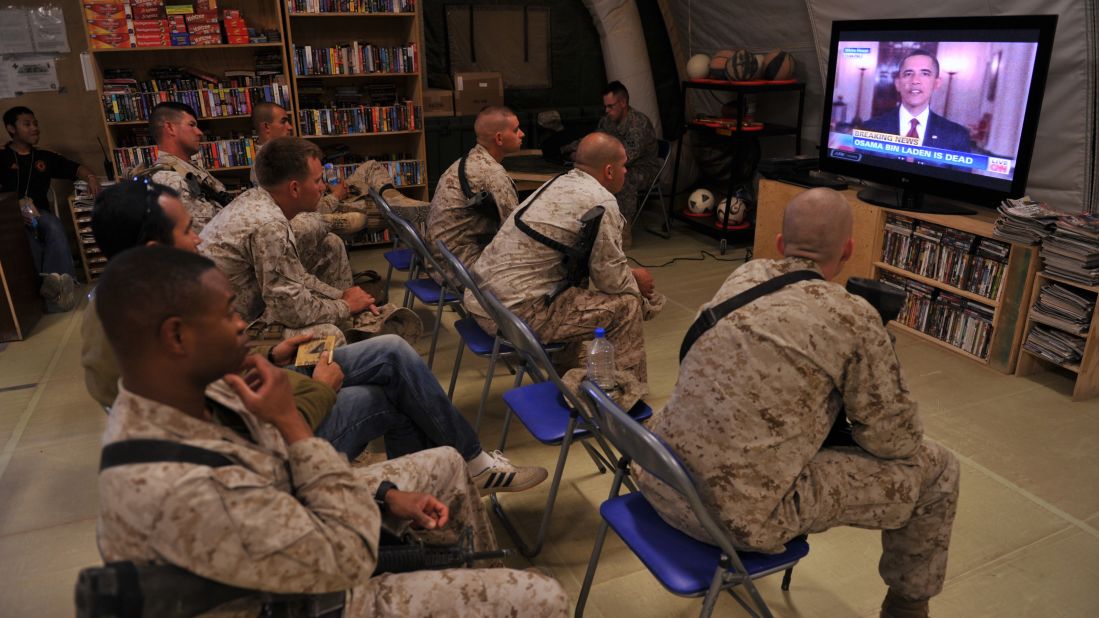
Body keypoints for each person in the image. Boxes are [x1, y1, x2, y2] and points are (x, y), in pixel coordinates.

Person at [93, 245, 569, 617]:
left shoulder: (190, 391)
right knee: (543, 598)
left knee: (444, 461)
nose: (242, 325)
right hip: (294, 599)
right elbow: (347, 557)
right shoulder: (174, 484)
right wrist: (290, 422)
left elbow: (276, 477)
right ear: (177, 336)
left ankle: (477, 579)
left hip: (294, 553)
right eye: (227, 314)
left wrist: (382, 493)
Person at [85, 180, 547, 493]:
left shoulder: (124, 299)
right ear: (153, 249)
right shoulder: (162, 324)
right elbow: (240, 429)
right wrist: (319, 391)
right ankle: (435, 488)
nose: (199, 241)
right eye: (188, 232)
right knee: (394, 391)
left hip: (262, 400)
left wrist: (276, 353)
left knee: (391, 353)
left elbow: (227, 385)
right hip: (266, 446)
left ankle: (445, 478)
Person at [637, 187, 960, 618]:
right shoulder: (854, 316)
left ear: (777, 244)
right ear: (848, 250)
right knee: (938, 470)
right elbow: (894, 442)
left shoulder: (744, 277)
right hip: (733, 519)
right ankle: (906, 609)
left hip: (661, 478)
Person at [467, 132, 657, 391]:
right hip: (512, 315)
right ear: (610, 171)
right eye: (624, 166)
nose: (627, 171)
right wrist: (639, 286)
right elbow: (611, 280)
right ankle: (625, 400)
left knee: (573, 294)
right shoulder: (601, 201)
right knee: (627, 306)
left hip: (484, 299)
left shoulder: (556, 183)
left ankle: (567, 376)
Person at [200, 136, 420, 346]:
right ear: (294, 188)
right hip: (225, 335)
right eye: (317, 181)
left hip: (236, 316)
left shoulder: (259, 200)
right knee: (327, 337)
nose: (323, 187)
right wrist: (344, 306)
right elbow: (292, 311)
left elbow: (295, 277)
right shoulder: (270, 226)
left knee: (331, 255)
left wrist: (342, 295)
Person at [2, 106, 100, 311]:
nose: (34, 129)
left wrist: (90, 177)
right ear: (11, 129)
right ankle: (45, 293)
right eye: (27, 124)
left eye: (35, 124)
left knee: (53, 225)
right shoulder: (1, 158)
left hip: (40, 215)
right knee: (26, 241)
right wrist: (15, 213)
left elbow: (75, 169)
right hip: (10, 220)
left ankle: (56, 291)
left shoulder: (44, 157)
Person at [427, 106, 523, 269]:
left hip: (440, 260)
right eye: (516, 130)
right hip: (460, 268)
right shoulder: (492, 174)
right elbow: (514, 231)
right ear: (499, 139)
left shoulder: (468, 160)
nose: (522, 134)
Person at [565, 82, 659, 245]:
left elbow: (627, 157)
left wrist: (594, 161)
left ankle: (623, 234)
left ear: (623, 103)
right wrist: (573, 150)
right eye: (605, 107)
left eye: (610, 106)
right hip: (613, 164)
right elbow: (595, 141)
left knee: (623, 177)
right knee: (589, 173)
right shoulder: (607, 121)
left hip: (643, 168)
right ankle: (593, 225)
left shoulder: (638, 123)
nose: (607, 111)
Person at [860, 50, 976, 154]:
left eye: (925, 73)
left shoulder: (957, 136)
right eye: (908, 74)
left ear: (936, 83)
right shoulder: (869, 128)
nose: (915, 81)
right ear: (898, 84)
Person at [139, 101, 229, 235]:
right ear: (170, 128)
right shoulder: (168, 179)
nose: (199, 132)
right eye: (191, 125)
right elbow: (203, 235)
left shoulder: (188, 170)